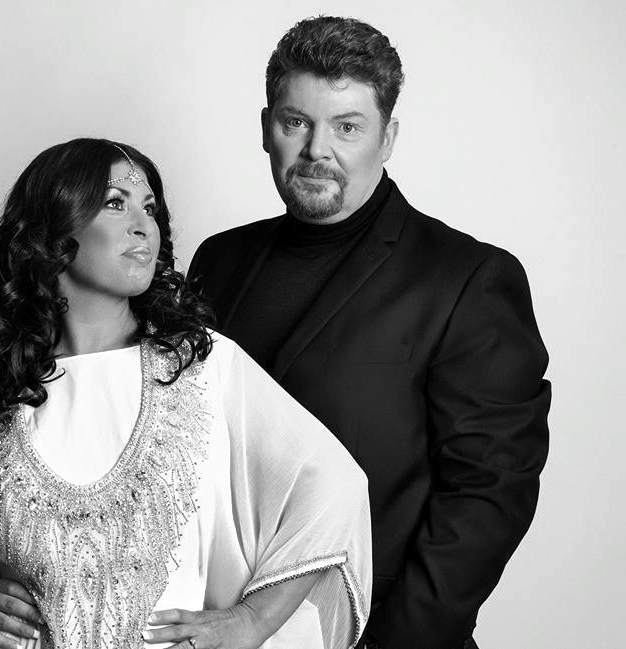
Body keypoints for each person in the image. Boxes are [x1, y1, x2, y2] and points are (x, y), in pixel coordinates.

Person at [0, 138, 373, 649]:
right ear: (53, 232)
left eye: (150, 208)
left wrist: (252, 621)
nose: (144, 225)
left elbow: (333, 486)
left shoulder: (203, 367)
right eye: (116, 204)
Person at [187, 17, 551, 649]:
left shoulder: (468, 278)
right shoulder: (218, 261)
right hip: (220, 626)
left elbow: (489, 495)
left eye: (347, 127)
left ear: (388, 138)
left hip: (376, 632)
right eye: (296, 122)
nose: (317, 150)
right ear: (267, 127)